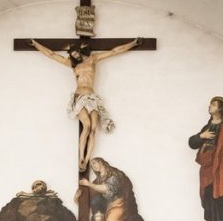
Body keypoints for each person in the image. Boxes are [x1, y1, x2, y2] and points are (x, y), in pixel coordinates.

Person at [28, 37, 141, 171]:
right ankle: (81, 158)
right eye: (73, 55)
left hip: (92, 97)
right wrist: (35, 44)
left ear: (80, 51)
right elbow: (51, 55)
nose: (75, 56)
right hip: (80, 96)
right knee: (86, 126)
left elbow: (114, 51)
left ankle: (87, 159)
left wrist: (133, 43)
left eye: (76, 53)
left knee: (93, 129)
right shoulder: (71, 64)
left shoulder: (93, 59)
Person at [188, 96, 223, 221]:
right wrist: (201, 136)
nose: (209, 106)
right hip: (207, 164)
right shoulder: (207, 128)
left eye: (213, 105)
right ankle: (210, 220)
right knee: (208, 190)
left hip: (221, 165)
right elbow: (192, 143)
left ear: (220, 109)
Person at [77, 157, 146, 221]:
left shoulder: (114, 174)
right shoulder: (97, 181)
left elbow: (108, 189)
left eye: (94, 163)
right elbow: (90, 199)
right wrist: (78, 198)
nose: (93, 166)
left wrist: (89, 184)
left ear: (100, 162)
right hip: (106, 208)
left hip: (119, 203)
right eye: (91, 166)